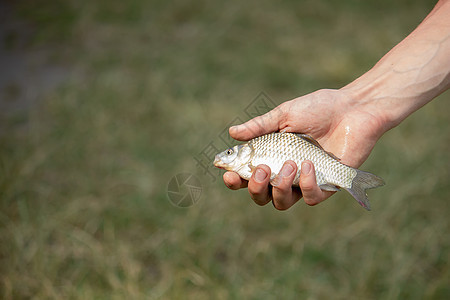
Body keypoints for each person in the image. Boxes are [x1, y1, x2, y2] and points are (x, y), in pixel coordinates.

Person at [222, 0, 450, 210]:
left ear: (243, 152)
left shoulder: (252, 153)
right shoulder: (255, 152)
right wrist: (358, 104)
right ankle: (342, 176)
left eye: (231, 152)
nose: (226, 155)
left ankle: (347, 177)